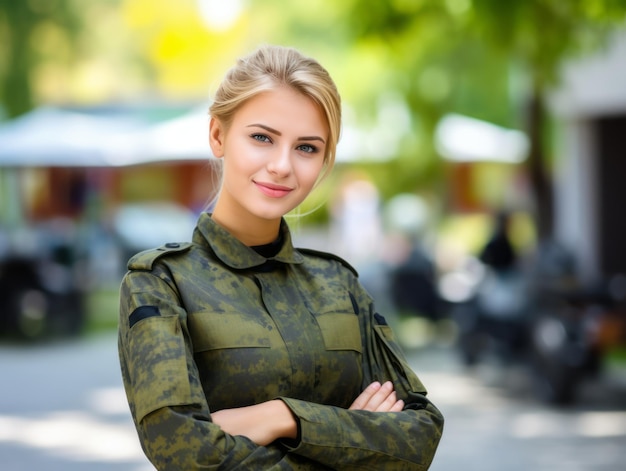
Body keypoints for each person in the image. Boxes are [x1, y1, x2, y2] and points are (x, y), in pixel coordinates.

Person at [118, 44, 444, 470]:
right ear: (218, 135)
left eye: (306, 148)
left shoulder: (339, 284)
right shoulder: (160, 283)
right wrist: (351, 437)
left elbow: (419, 434)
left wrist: (281, 417)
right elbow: (183, 451)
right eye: (262, 138)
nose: (281, 165)